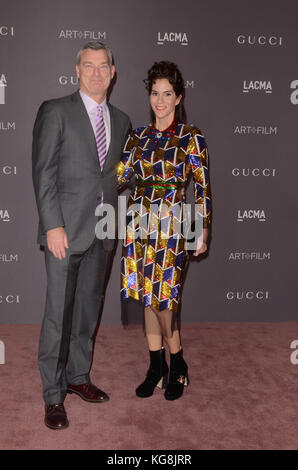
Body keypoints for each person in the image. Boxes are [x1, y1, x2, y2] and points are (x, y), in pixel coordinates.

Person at [32, 41, 131, 430]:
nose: (95, 73)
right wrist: (53, 225)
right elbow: (43, 174)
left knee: (88, 312)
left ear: (112, 71)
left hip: (103, 231)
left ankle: (77, 377)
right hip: (64, 231)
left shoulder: (121, 120)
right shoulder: (55, 110)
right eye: (88, 66)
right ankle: (53, 395)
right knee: (58, 314)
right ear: (77, 71)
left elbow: (115, 176)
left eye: (102, 66)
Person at [117, 61, 211, 401]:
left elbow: (201, 188)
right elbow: (116, 178)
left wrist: (201, 230)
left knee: (164, 300)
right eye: (155, 93)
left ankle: (178, 362)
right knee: (147, 295)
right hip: (139, 224)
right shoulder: (137, 137)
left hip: (172, 226)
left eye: (167, 94)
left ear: (178, 96)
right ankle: (156, 367)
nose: (160, 100)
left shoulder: (191, 137)